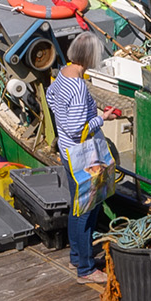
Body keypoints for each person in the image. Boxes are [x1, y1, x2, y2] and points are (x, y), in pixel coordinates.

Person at [45, 31, 119, 284]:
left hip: (66, 151)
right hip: (81, 154)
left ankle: (77, 255)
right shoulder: (77, 87)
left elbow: (51, 99)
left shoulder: (62, 75)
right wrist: (102, 118)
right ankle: (86, 269)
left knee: (78, 203)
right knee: (87, 209)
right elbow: (78, 130)